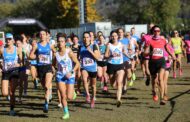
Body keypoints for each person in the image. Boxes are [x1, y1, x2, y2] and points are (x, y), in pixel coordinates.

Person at [144, 25, 176, 105]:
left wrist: (172, 55)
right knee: (154, 81)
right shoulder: (149, 41)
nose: (157, 32)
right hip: (153, 62)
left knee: (160, 79)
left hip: (161, 61)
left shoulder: (163, 40)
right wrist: (150, 53)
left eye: (158, 31)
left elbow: (167, 49)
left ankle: (162, 98)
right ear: (153, 32)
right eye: (155, 31)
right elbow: (144, 53)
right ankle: (154, 92)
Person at [53, 33, 80, 119]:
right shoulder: (56, 54)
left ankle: (73, 93)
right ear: (57, 43)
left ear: (65, 43)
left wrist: (71, 72)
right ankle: (66, 113)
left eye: (62, 41)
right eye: (59, 41)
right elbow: (53, 65)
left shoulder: (69, 52)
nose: (60, 43)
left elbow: (77, 63)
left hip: (70, 76)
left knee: (69, 97)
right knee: (63, 96)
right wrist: (55, 71)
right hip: (60, 76)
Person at [30, 29, 56, 113]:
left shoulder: (50, 45)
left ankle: (46, 103)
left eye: (43, 34)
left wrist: (54, 64)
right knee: (45, 87)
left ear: (46, 35)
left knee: (47, 85)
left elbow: (56, 53)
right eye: (40, 34)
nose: (42, 36)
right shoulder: (36, 46)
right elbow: (30, 56)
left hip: (48, 67)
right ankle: (48, 98)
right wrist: (37, 57)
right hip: (40, 68)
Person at [0, 33, 23, 115]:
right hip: (5, 72)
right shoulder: (2, 49)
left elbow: (21, 62)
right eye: (7, 39)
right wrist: (1, 66)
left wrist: (19, 64)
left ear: (13, 40)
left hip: (14, 72)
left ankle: (12, 109)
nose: (8, 40)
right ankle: (11, 99)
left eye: (10, 39)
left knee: (12, 92)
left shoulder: (18, 49)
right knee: (4, 93)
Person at [105, 30, 125, 107]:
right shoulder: (109, 45)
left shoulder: (121, 44)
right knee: (113, 84)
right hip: (111, 65)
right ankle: (117, 91)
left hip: (120, 65)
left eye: (115, 36)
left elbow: (123, 52)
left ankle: (118, 100)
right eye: (112, 36)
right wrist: (111, 55)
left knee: (119, 83)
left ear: (117, 36)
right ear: (110, 37)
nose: (114, 37)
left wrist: (130, 57)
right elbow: (105, 55)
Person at [80, 32, 100, 108]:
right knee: (84, 80)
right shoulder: (81, 47)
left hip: (92, 68)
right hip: (84, 67)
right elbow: (80, 57)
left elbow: (97, 57)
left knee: (93, 85)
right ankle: (87, 95)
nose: (85, 39)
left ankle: (93, 98)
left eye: (87, 37)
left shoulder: (94, 46)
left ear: (90, 38)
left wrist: (90, 51)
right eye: (84, 37)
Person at [117, 28, 131, 94]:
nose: (120, 33)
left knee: (128, 75)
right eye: (119, 32)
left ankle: (125, 84)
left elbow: (129, 49)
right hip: (119, 60)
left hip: (126, 58)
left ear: (123, 33)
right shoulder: (115, 40)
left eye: (121, 32)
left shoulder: (126, 40)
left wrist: (130, 55)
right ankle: (124, 86)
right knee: (122, 74)